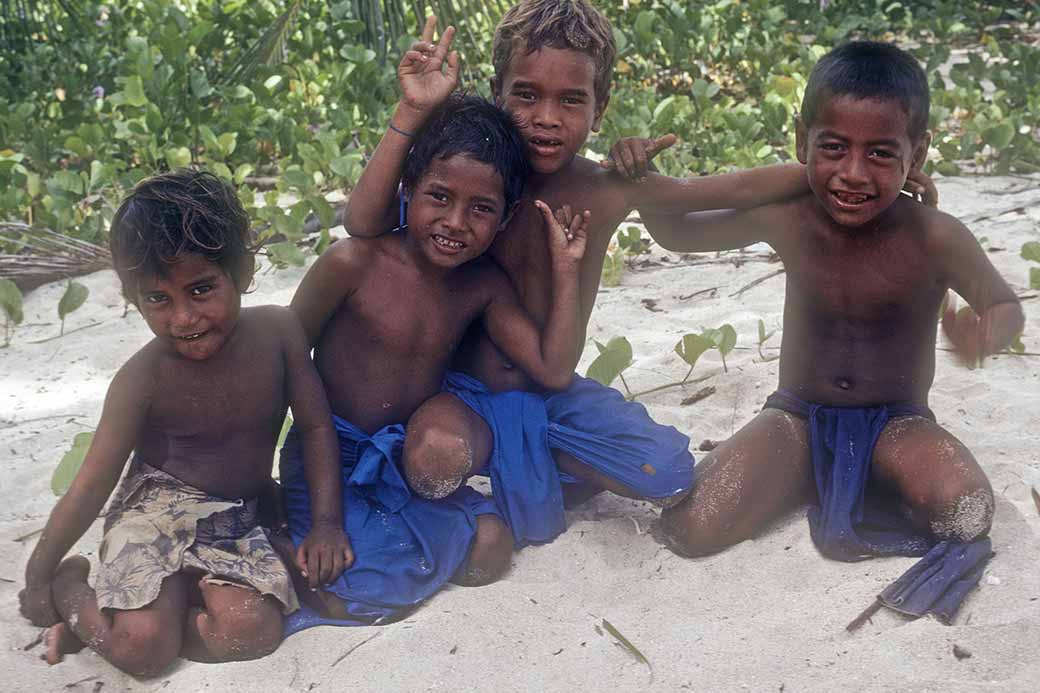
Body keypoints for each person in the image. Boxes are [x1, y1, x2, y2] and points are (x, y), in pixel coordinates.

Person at [342, 3, 825, 533]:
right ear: (497, 90)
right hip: (459, 393)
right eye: (526, 94)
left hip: (552, 392)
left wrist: (837, 169)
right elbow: (363, 220)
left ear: (600, 109)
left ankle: (537, 460)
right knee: (435, 461)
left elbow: (733, 187)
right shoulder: (469, 184)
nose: (546, 117)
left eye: (571, 101)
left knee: (665, 473)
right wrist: (412, 113)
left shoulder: (608, 188)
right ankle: (521, 465)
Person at [654, 42, 1022, 623]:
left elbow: (1005, 304)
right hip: (798, 415)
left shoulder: (934, 236)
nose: (853, 174)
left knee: (968, 513)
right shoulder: (789, 215)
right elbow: (677, 232)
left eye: (881, 154)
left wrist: (984, 333)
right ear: (802, 141)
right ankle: (800, 473)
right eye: (832, 148)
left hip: (895, 423)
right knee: (690, 527)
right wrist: (780, 179)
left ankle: (859, 477)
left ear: (917, 153)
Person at [17, 170, 351, 675]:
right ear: (134, 299)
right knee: (142, 650)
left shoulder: (279, 332)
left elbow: (316, 429)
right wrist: (39, 575)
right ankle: (75, 588)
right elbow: (89, 489)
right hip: (153, 515)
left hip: (238, 517)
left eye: (200, 289)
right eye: (158, 300)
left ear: (239, 272)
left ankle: (172, 601)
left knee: (251, 633)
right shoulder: (141, 379)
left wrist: (326, 523)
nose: (183, 318)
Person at [281, 92, 588, 630]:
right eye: (439, 197)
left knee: (492, 546)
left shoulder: (481, 286)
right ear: (407, 190)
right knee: (353, 592)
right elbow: (280, 363)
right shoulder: (351, 265)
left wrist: (567, 270)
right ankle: (287, 541)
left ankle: (381, 547)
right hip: (326, 459)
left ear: (505, 215)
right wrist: (320, 518)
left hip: (398, 464)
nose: (455, 222)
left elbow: (554, 370)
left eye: (481, 209)